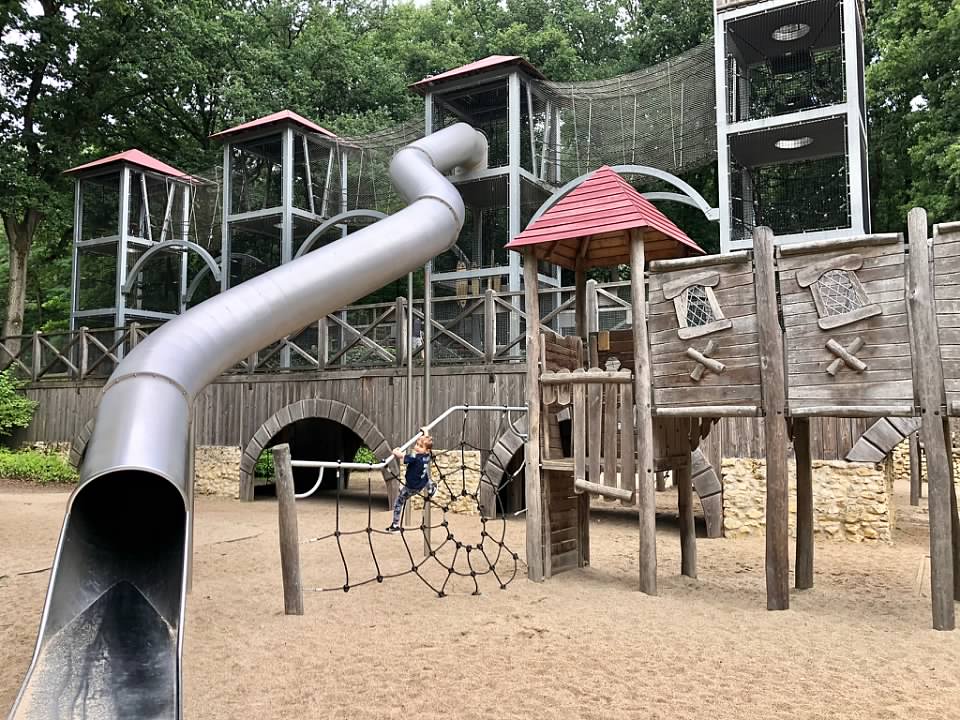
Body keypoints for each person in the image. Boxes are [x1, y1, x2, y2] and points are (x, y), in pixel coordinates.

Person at [386, 431, 436, 532]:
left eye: (420, 446)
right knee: (425, 475)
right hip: (421, 483)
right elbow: (423, 449)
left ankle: (395, 525)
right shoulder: (427, 456)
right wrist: (425, 432)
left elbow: (401, 456)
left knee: (398, 502)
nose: (417, 447)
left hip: (411, 487)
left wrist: (395, 452)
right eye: (417, 444)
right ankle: (431, 487)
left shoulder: (415, 458)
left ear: (427, 450)